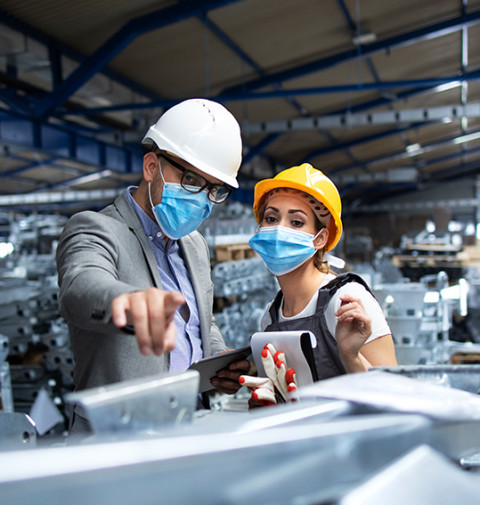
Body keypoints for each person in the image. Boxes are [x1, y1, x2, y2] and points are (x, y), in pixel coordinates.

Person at [56, 98, 251, 432]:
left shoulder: (194, 245)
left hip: (189, 427)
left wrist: (220, 361)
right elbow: (80, 287)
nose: (202, 199)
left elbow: (202, 321)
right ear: (151, 167)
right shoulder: (96, 228)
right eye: (191, 181)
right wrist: (127, 302)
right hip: (116, 439)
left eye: (214, 190)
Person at [242, 163, 397, 405]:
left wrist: (351, 356)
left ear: (320, 238)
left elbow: (396, 397)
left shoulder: (347, 302)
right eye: (271, 218)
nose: (279, 230)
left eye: (296, 222)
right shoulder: (269, 320)